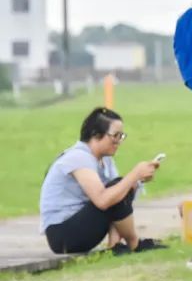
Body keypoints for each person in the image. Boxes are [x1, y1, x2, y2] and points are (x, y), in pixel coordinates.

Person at [39, 107, 166, 255]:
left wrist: (137, 181)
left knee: (121, 187)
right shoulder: (78, 157)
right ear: (95, 134)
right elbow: (102, 200)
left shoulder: (105, 159)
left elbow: (118, 197)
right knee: (118, 186)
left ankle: (115, 245)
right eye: (115, 136)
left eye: (121, 136)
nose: (119, 141)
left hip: (81, 225)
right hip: (63, 235)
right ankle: (134, 244)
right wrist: (135, 174)